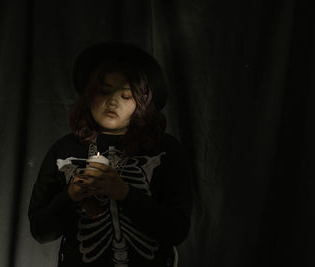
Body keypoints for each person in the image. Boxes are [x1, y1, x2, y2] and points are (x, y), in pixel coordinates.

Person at [28, 42, 193, 267]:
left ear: (142, 102)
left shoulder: (165, 149)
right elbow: (40, 231)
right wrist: (70, 196)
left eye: (125, 95)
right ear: (89, 95)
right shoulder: (63, 150)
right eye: (104, 91)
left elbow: (177, 230)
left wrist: (124, 193)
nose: (112, 101)